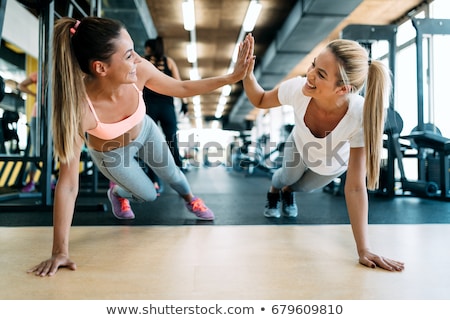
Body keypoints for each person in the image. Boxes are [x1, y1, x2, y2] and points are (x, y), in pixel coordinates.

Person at [28, 16, 252, 277]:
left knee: (175, 176)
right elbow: (67, 183)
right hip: (112, 156)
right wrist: (59, 251)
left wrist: (231, 77)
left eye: (133, 51)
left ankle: (190, 199)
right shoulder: (80, 109)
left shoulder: (139, 71)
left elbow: (181, 87)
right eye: (128, 55)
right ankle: (118, 193)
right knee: (149, 194)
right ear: (101, 68)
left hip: (145, 131)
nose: (136, 60)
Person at [242, 34, 404, 272]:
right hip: (299, 145)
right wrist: (247, 73)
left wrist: (364, 250)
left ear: (343, 89)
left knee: (302, 187)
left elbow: (356, 187)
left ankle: (288, 191)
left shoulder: (359, 116)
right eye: (313, 65)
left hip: (331, 165)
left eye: (321, 75)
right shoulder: (298, 89)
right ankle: (275, 189)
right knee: (285, 177)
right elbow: (260, 98)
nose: (310, 75)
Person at [142, 36, 188, 195]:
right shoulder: (168, 61)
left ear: (150, 48)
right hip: (166, 106)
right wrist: (185, 103)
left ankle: (154, 179)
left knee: (150, 143)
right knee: (171, 139)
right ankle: (180, 176)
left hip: (151, 105)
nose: (145, 50)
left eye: (147, 47)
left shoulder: (144, 61)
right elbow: (179, 83)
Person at [18, 72, 38, 192]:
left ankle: (50, 180)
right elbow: (21, 85)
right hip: (38, 114)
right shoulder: (38, 74)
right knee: (36, 149)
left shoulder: (60, 74)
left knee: (53, 149)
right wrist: (35, 94)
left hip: (54, 114)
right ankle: (31, 182)